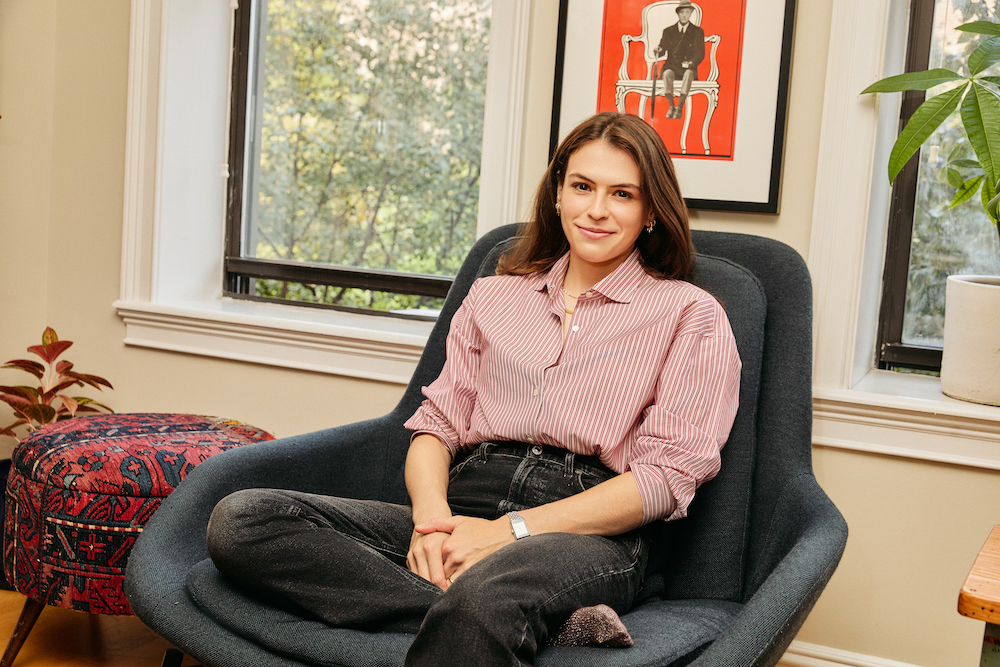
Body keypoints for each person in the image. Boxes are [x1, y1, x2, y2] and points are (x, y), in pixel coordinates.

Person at [205, 111, 741, 666]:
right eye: (583, 186)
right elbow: (436, 427)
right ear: (558, 193)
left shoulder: (690, 314)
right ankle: (547, 625)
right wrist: (432, 523)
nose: (597, 209)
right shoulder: (493, 297)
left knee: (486, 597)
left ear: (651, 211)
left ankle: (497, 610)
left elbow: (663, 480)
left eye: (622, 194)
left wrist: (508, 533)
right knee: (243, 520)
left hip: (586, 529)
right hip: (465, 499)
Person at [654, 0, 706, 119]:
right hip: (672, 67)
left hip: (688, 68)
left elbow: (700, 53)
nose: (684, 15)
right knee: (666, 73)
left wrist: (691, 63)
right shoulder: (668, 31)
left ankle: (679, 107)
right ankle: (672, 106)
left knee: (688, 74)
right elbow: (663, 48)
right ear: (678, 13)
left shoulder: (697, 31)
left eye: (687, 12)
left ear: (691, 14)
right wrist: (658, 49)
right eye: (682, 12)